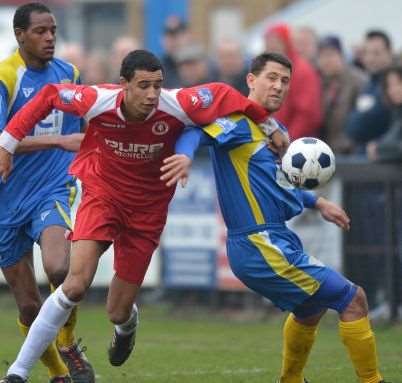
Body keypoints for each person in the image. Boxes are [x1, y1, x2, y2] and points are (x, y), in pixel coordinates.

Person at [0, 49, 279, 383]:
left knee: (117, 310)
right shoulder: (98, 100)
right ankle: (17, 373)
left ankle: (126, 327)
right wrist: (5, 145)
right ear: (124, 85)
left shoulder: (179, 103)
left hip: (146, 213)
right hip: (102, 197)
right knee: (74, 284)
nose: (152, 95)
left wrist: (269, 123)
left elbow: (226, 96)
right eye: (143, 86)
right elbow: (49, 96)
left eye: (157, 85)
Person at [161, 52, 388, 383]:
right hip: (257, 242)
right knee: (353, 298)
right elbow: (197, 129)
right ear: (251, 80)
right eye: (271, 77)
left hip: (275, 237)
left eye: (285, 81)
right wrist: (183, 154)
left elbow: (281, 184)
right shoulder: (237, 123)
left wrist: (317, 202)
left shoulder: (277, 131)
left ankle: (291, 379)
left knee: (310, 310)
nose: (279, 86)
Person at [0, 3, 94, 383]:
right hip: (5, 199)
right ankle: (59, 374)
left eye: (53, 31)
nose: (50, 38)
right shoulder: (3, 77)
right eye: (41, 31)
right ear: (20, 35)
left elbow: (83, 131)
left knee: (61, 268)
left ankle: (68, 342)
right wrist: (57, 141)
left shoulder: (69, 74)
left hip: (52, 189)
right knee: (28, 307)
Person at [264, 23, 323, 140]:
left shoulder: (301, 70)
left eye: (276, 42)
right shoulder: (266, 70)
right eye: (268, 42)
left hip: (293, 144)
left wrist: (287, 140)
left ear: (286, 43)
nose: (271, 46)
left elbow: (308, 114)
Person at [317, 35, 367, 154]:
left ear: (341, 56)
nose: (326, 60)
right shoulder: (319, 81)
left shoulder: (358, 81)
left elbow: (362, 119)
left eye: (330, 55)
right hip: (326, 150)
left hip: (350, 151)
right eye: (322, 56)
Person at [345, 30, 394, 152]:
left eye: (376, 53)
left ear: (389, 53)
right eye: (366, 53)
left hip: (386, 162)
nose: (370, 58)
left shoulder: (395, 85)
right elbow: (351, 127)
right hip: (362, 157)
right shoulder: (368, 85)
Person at [366, 65, 402, 162]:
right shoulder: (396, 112)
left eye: (398, 83)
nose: (393, 90)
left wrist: (378, 149)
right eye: (389, 85)